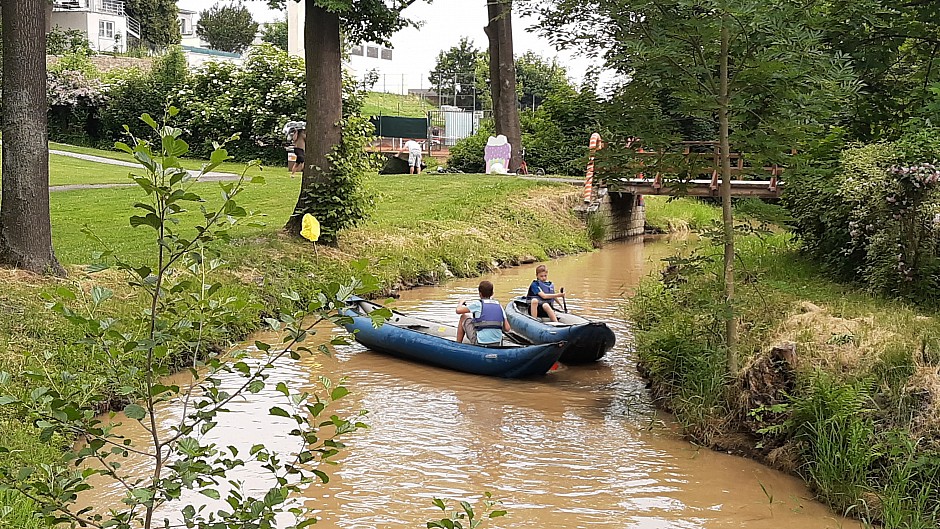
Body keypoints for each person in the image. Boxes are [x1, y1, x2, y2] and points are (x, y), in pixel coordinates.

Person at [456, 280, 511, 345]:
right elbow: (507, 328)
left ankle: (457, 344)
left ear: (480, 294)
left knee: (464, 317)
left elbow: (458, 310)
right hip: (497, 343)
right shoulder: (499, 306)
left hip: (480, 342)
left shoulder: (478, 304)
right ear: (492, 293)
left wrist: (460, 302)